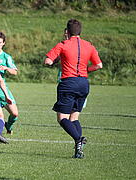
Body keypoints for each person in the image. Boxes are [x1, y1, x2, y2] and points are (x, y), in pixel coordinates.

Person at [44, 19, 103, 158]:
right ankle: (79, 150)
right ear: (80, 31)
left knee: (62, 118)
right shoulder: (89, 45)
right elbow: (99, 65)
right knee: (74, 117)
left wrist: (56, 60)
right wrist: (85, 70)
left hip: (68, 83)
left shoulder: (63, 45)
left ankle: (78, 139)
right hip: (83, 83)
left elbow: (48, 61)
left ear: (67, 31)